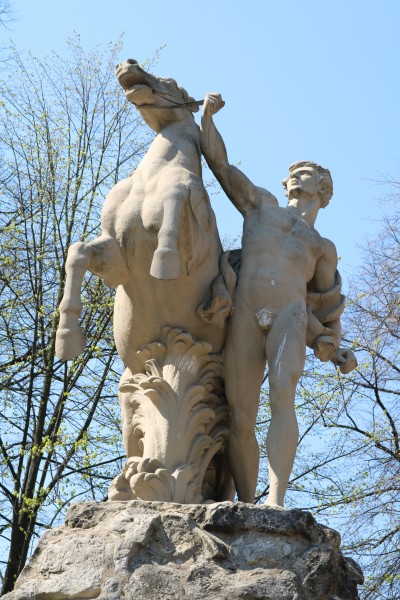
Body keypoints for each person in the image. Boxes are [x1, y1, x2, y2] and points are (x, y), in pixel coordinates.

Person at [200, 93, 357, 507]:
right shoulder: (262, 205)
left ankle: (276, 502)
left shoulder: (323, 246)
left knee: (283, 392)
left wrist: (337, 345)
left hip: (289, 314)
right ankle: (247, 503)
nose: (293, 176)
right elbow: (221, 166)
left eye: (303, 173)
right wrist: (208, 119)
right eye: (292, 172)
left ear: (322, 188)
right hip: (246, 310)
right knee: (241, 411)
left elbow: (326, 303)